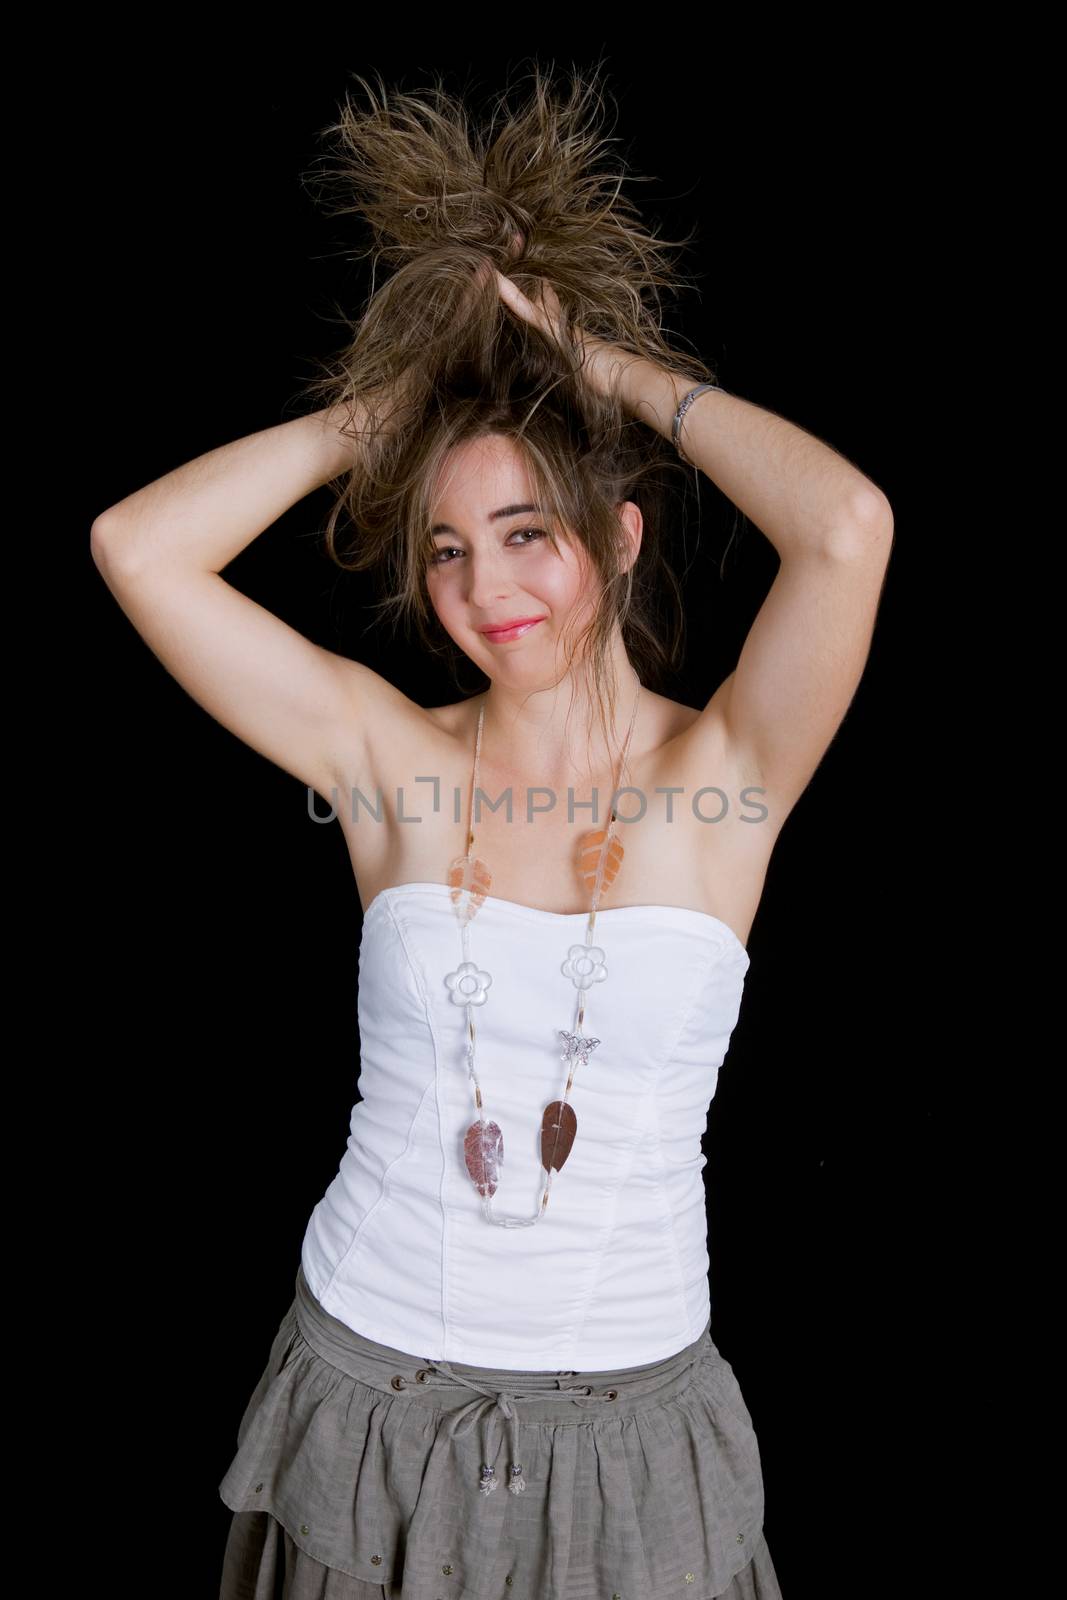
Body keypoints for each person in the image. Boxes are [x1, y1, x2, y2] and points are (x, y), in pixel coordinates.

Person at [91, 64, 892, 1600]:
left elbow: (848, 528)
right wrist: (394, 406)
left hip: (632, 1434)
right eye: (448, 548)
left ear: (618, 534)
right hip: (363, 1392)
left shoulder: (730, 764)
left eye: (530, 533)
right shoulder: (387, 758)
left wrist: (596, 366)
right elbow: (139, 547)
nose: (485, 587)